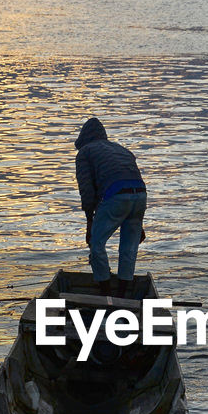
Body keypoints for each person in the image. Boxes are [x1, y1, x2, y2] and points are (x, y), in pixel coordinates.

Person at [74, 117, 146, 295]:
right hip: (140, 196)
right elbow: (132, 182)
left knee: (96, 244)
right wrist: (139, 221)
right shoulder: (123, 150)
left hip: (116, 196)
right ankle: (122, 295)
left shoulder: (85, 152)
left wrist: (89, 221)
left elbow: (87, 189)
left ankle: (106, 294)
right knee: (129, 248)